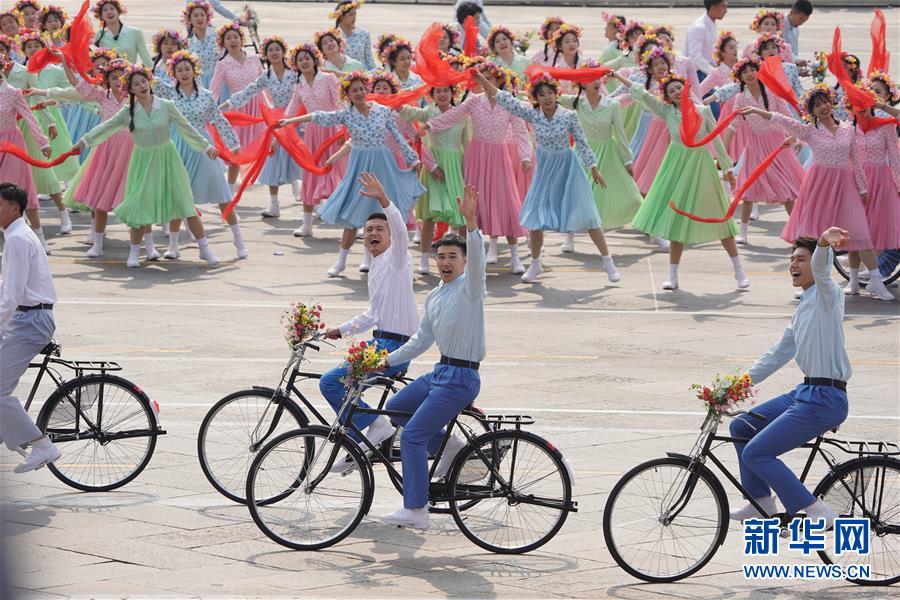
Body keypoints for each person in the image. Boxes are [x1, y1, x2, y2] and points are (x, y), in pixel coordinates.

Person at [378, 184, 485, 530]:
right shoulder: (436, 295)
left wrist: (471, 224)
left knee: (412, 437)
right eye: (441, 257)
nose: (445, 262)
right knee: (396, 408)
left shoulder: (471, 289)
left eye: (453, 257)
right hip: (440, 373)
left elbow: (479, 262)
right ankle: (450, 446)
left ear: (464, 262)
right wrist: (387, 361)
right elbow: (421, 339)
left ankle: (416, 509)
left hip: (461, 379)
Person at [729, 228, 852, 528]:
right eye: (791, 259)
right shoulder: (804, 305)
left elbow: (823, 269)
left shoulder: (828, 294)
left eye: (800, 259)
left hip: (826, 398)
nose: (793, 265)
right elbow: (776, 355)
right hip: (806, 392)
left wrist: (823, 243)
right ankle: (761, 500)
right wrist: (735, 388)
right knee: (741, 426)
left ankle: (815, 509)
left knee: (757, 452)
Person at [319, 172, 420, 471]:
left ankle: (375, 429)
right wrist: (340, 330)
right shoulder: (376, 266)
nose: (373, 233)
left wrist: (384, 199)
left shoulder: (397, 260)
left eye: (379, 229)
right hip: (380, 341)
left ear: (390, 236)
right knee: (345, 389)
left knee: (331, 383)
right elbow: (373, 314)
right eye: (368, 230)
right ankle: (361, 443)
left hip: (393, 348)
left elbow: (401, 230)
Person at [0, 182, 61, 474]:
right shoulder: (18, 234)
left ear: (15, 209)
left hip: (30, 321)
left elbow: (11, 296)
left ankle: (42, 445)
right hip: (28, 318)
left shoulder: (17, 239)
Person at [685, 0, 727, 117]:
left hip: (706, 72)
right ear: (713, 8)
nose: (726, 10)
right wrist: (715, 72)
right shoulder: (698, 27)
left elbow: (709, 55)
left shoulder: (711, 24)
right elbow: (695, 58)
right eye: (723, 7)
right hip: (696, 75)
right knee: (712, 112)